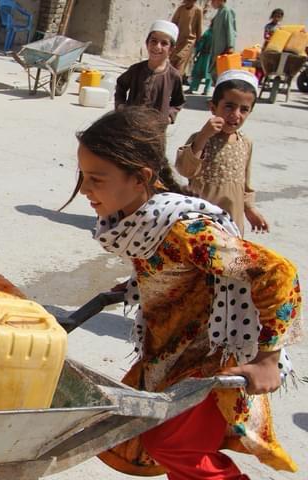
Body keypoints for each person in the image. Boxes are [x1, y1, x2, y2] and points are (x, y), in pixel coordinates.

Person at [60, 106, 301, 479]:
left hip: (209, 357)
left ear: (140, 177)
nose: (85, 190)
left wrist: (268, 358)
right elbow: (180, 271)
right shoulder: (139, 222)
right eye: (83, 176)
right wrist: (142, 284)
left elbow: (277, 272)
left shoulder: (185, 232)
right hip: (170, 351)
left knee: (170, 444)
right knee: (140, 440)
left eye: (96, 178)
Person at [176, 70, 267, 235]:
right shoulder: (200, 138)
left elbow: (245, 184)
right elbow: (185, 169)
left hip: (232, 223)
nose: (235, 115)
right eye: (229, 106)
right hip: (202, 221)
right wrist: (203, 136)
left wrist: (250, 209)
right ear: (213, 107)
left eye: (244, 109)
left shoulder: (245, 143)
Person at [115, 20, 186, 124]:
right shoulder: (135, 70)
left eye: (164, 43)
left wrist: (169, 117)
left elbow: (178, 102)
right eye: (153, 41)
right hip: (131, 126)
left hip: (156, 132)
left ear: (171, 49)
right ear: (147, 43)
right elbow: (121, 85)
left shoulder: (173, 76)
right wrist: (120, 105)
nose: (157, 47)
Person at [170, 0, 203, 80]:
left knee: (180, 63)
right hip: (177, 40)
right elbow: (173, 23)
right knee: (172, 61)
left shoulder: (198, 10)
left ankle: (176, 83)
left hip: (188, 41)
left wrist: (199, 41)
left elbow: (199, 27)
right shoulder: (180, 9)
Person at [208, 0, 237, 79]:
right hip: (216, 48)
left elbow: (230, 29)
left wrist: (230, 46)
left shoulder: (227, 12)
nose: (212, 3)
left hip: (223, 49)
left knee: (221, 73)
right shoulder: (219, 13)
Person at [186, 28, 213, 94]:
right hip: (212, 57)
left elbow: (201, 44)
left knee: (197, 73)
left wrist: (196, 53)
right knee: (210, 75)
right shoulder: (218, 35)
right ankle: (206, 90)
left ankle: (192, 88)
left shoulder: (208, 33)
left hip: (204, 56)